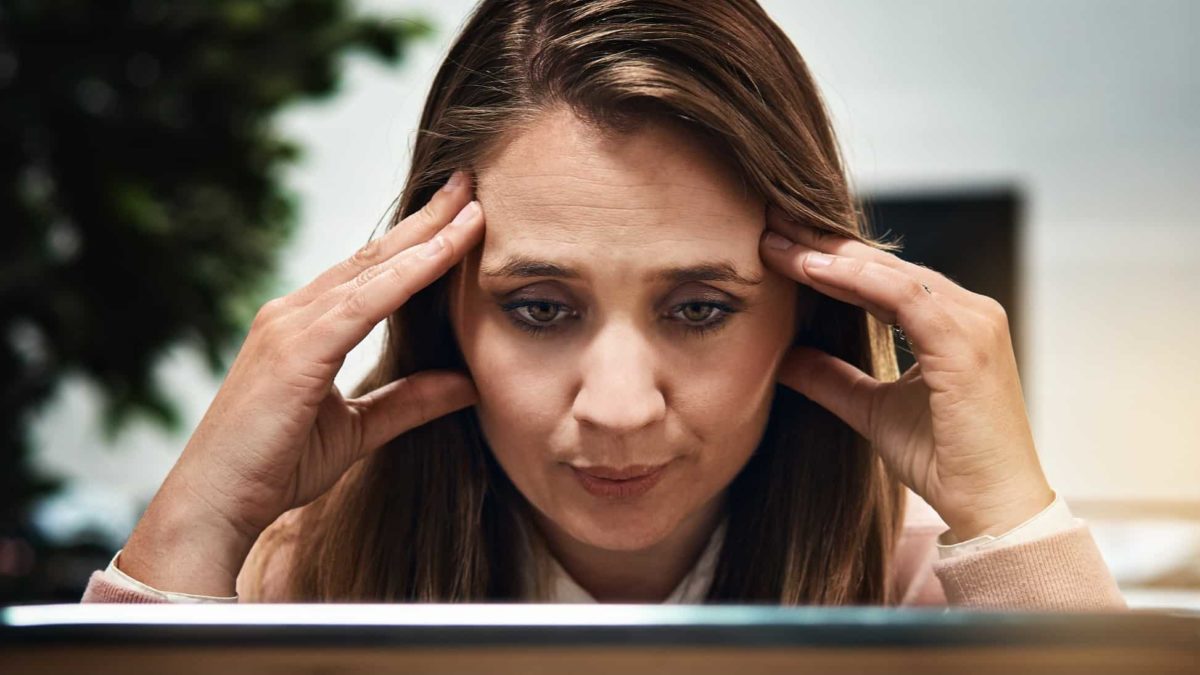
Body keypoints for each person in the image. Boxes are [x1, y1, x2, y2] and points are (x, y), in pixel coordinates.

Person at [81, 0, 1124, 608]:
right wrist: (200, 519)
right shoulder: (291, 591)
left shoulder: (936, 599)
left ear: (801, 316)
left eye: (702, 308)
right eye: (540, 307)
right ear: (449, 313)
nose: (619, 411)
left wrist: (1012, 525)